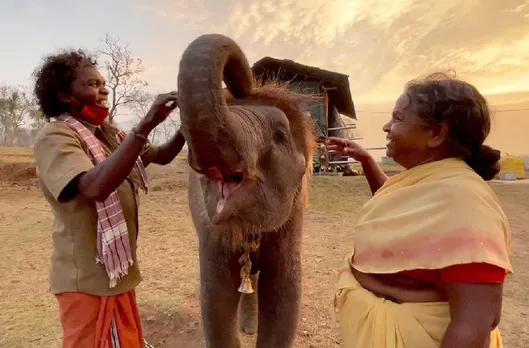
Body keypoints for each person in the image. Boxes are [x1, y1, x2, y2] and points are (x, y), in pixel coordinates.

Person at [328, 72, 513, 348]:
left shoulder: (465, 201)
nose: (386, 126)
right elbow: (397, 205)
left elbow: (474, 324)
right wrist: (366, 160)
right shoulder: (428, 180)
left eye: (399, 118)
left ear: (437, 133)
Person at [32, 49, 186, 348]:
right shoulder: (56, 136)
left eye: (103, 83)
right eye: (91, 84)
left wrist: (188, 122)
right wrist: (143, 127)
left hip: (117, 273)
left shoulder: (110, 134)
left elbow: (164, 156)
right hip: (88, 279)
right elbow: (93, 187)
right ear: (64, 94)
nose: (103, 90)